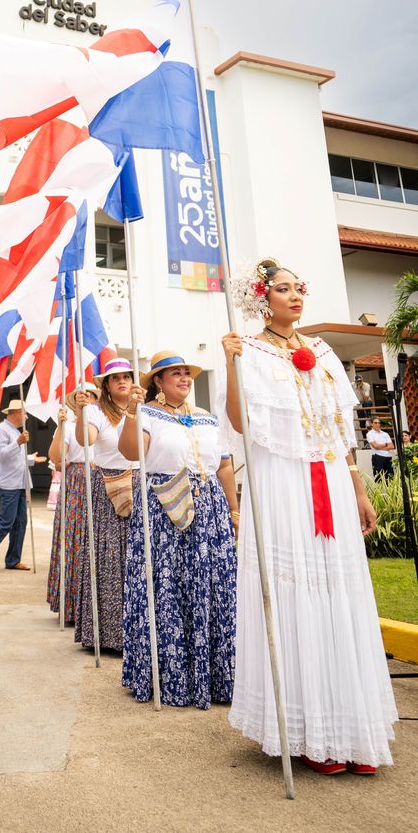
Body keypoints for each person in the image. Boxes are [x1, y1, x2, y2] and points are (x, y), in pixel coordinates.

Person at [221, 257, 396, 774]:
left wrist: (359, 489)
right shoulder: (247, 350)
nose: (295, 296)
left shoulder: (320, 352)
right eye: (282, 289)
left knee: (340, 595)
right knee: (294, 593)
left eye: (299, 288)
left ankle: (350, 728)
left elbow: (340, 429)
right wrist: (230, 366)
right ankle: (304, 733)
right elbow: (239, 422)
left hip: (331, 483)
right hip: (283, 483)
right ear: (262, 298)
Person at [119, 350, 238, 708]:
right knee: (166, 586)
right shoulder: (147, 414)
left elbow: (225, 467)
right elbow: (130, 453)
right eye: (175, 374)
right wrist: (130, 414)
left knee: (211, 585)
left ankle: (215, 677)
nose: (184, 379)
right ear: (158, 380)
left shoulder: (207, 418)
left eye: (187, 374)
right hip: (162, 506)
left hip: (210, 509)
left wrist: (234, 509)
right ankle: (170, 675)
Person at [73, 356, 143, 653]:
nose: (123, 381)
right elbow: (86, 440)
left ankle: (142, 630)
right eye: (116, 378)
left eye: (127, 376)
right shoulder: (97, 413)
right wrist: (80, 411)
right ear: (107, 386)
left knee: (140, 557)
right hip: (110, 488)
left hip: (142, 485)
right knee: (112, 558)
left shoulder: (145, 410)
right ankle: (111, 633)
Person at [0, 401, 46, 573]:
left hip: (19, 482)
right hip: (8, 484)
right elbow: (0, 455)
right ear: (15, 413)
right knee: (6, 521)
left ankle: (13, 559)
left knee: (20, 522)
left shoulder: (15, 431)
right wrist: (18, 443)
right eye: (25, 413)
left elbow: (15, 458)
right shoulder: (1, 430)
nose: (27, 416)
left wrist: (30, 458)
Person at [47, 386, 92, 624]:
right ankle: (73, 604)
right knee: (75, 540)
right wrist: (61, 427)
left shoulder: (107, 420)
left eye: (92, 395)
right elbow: (56, 457)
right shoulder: (70, 424)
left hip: (106, 479)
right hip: (77, 481)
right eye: (82, 396)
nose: (87, 399)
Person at [366, 415, 395, 481]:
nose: (377, 424)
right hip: (377, 457)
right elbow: (375, 446)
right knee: (379, 478)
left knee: (391, 478)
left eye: (379, 423)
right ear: (371, 424)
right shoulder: (369, 434)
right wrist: (385, 444)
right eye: (375, 423)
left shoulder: (385, 434)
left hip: (388, 457)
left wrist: (380, 447)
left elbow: (392, 446)